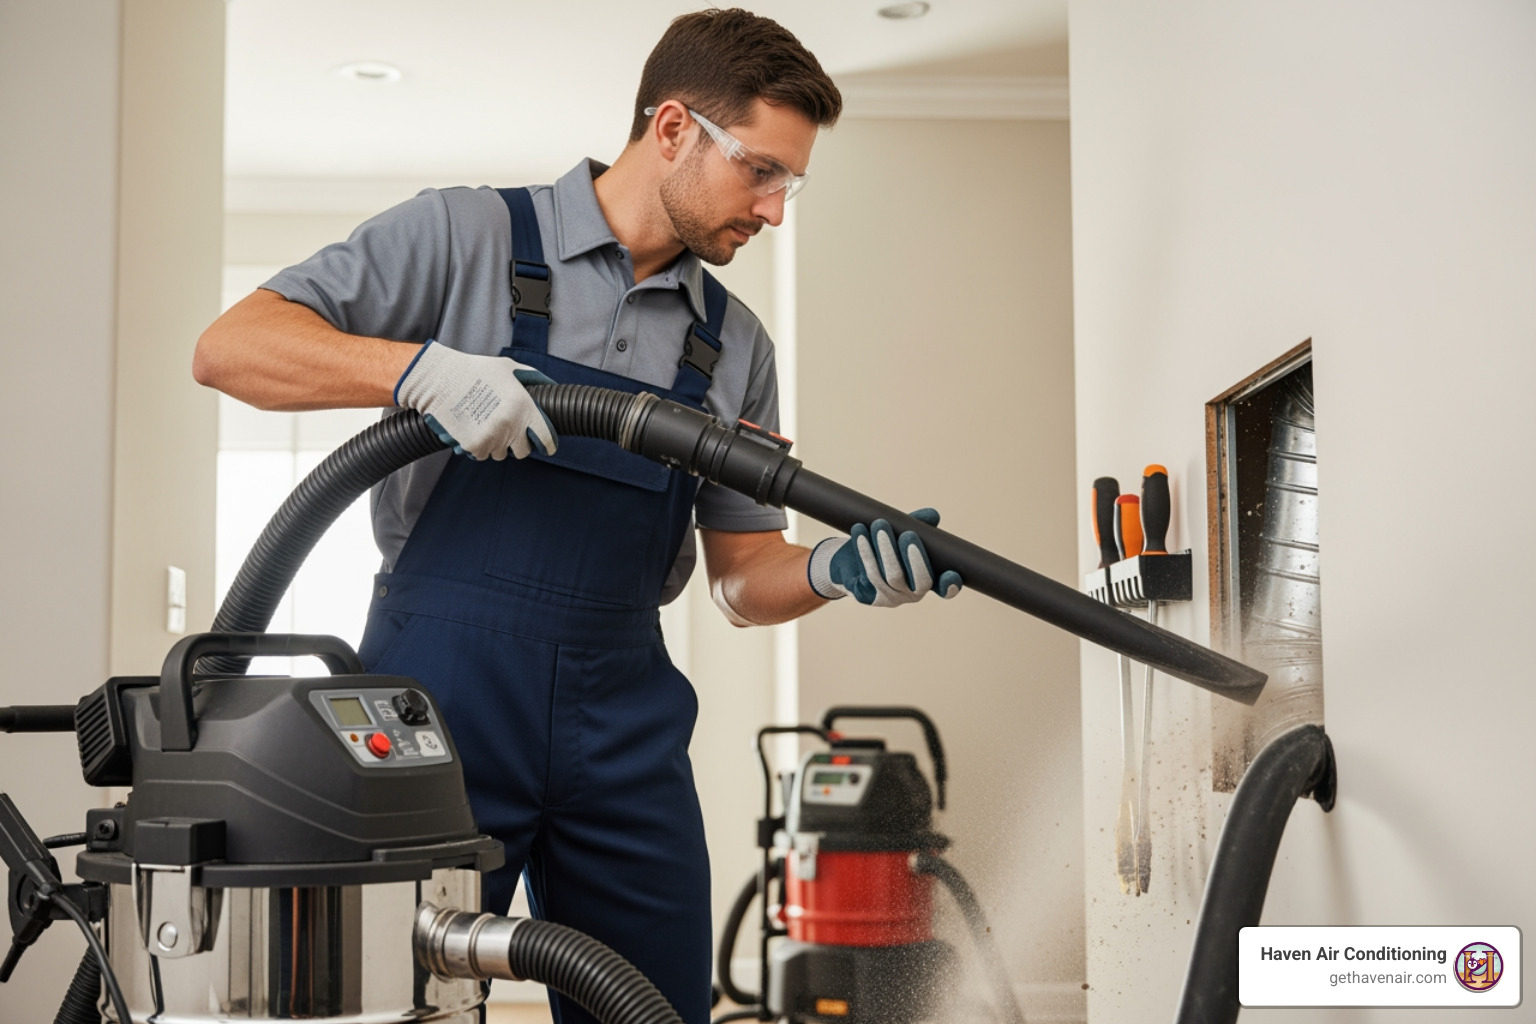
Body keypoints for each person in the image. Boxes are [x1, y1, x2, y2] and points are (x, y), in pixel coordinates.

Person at [195, 10, 960, 1023]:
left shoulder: (735, 346)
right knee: (400, 1002)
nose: (776, 212)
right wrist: (419, 371)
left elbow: (740, 577)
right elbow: (231, 347)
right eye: (763, 172)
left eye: (792, 184)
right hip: (441, 708)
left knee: (650, 1007)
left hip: (626, 721)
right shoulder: (465, 237)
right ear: (676, 128)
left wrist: (834, 572)